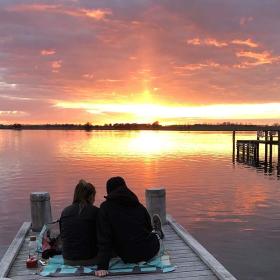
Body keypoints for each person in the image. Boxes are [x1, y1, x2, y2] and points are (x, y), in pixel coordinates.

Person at [95, 177, 163, 277]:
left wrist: (102, 266)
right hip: (149, 251)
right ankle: (158, 233)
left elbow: (105, 238)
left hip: (127, 255)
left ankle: (158, 233)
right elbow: (148, 228)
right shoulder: (138, 205)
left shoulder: (105, 208)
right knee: (154, 234)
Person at [60, 179, 99, 265]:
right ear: (91, 196)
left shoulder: (65, 211)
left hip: (68, 259)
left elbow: (63, 235)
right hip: (91, 259)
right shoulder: (96, 212)